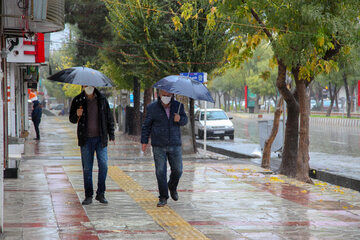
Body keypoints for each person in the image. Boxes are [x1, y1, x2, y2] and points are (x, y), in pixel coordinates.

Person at [141, 90, 188, 207]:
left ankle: (172, 186)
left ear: (172, 95)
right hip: (158, 145)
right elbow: (146, 125)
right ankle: (163, 196)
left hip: (174, 143)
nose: (166, 97)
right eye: (164, 95)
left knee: (178, 170)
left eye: (168, 95)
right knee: (160, 171)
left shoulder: (178, 106)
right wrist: (144, 141)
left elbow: (185, 120)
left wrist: (180, 119)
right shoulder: (152, 107)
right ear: (159, 94)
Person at [69, 86, 115, 205]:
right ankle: (88, 195)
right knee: (87, 168)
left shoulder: (102, 99)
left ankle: (101, 193)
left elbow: (109, 118)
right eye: (85, 85)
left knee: (104, 165)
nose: (88, 87)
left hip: (101, 139)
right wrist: (77, 114)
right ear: (82, 86)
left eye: (90, 85)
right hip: (85, 140)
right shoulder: (78, 100)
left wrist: (112, 134)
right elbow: (72, 119)